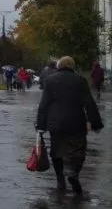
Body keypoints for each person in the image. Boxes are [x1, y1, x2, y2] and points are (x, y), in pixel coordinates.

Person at [36, 56, 103, 195]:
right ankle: (73, 173)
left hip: (55, 123)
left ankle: (60, 180)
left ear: (59, 66)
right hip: (76, 121)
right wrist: (95, 123)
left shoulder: (50, 80)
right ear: (73, 66)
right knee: (78, 151)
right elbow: (89, 103)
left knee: (56, 151)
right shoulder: (80, 80)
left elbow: (44, 105)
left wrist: (40, 125)